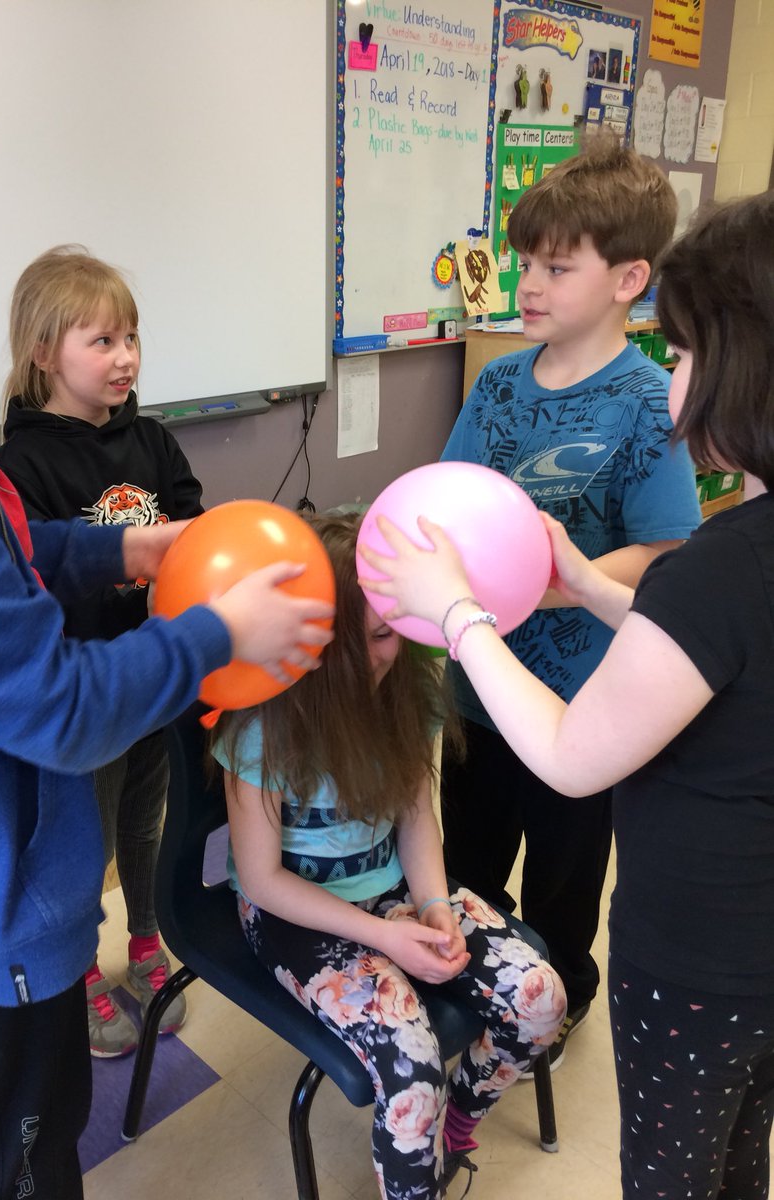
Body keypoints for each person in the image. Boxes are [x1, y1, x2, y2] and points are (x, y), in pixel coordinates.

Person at [0, 85, 333, 1200]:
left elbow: (7, 545)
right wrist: (220, 629)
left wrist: (123, 554)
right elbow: (58, 705)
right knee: (14, 1163)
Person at [359, 190, 774, 1200]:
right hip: (746, 945)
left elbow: (576, 753)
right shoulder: (731, 571)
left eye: (686, 354)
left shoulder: (718, 568)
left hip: (698, 957)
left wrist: (461, 614)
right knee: (736, 1154)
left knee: (675, 1170)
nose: (676, 376)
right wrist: (582, 581)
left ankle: (551, 997)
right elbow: (706, 646)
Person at [437, 134, 701, 1070]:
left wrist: (573, 580)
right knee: (464, 867)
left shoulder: (642, 400)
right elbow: (452, 499)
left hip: (583, 701)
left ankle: (557, 1000)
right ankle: (474, 986)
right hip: (479, 688)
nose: (530, 284)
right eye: (526, 263)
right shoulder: (500, 381)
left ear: (630, 278)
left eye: (557, 265)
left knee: (561, 880)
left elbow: (669, 548)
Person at [212, 512, 567, 1200]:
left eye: (401, 628)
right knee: (410, 1071)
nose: (396, 649)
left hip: (393, 890)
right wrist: (384, 938)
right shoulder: (264, 722)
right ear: (328, 643)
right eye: (378, 636)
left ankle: (457, 1129)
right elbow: (260, 878)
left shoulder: (407, 686)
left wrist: (435, 905)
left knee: (540, 1000)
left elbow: (414, 818)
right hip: (295, 913)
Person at [0, 246, 201, 1057]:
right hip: (86, 696)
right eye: (102, 341)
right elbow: (40, 581)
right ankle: (79, 970)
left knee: (145, 821)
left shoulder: (151, 440)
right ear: (46, 353)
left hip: (153, 676)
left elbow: (191, 524)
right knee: (86, 838)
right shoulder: (22, 463)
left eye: (131, 339)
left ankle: (146, 943)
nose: (125, 358)